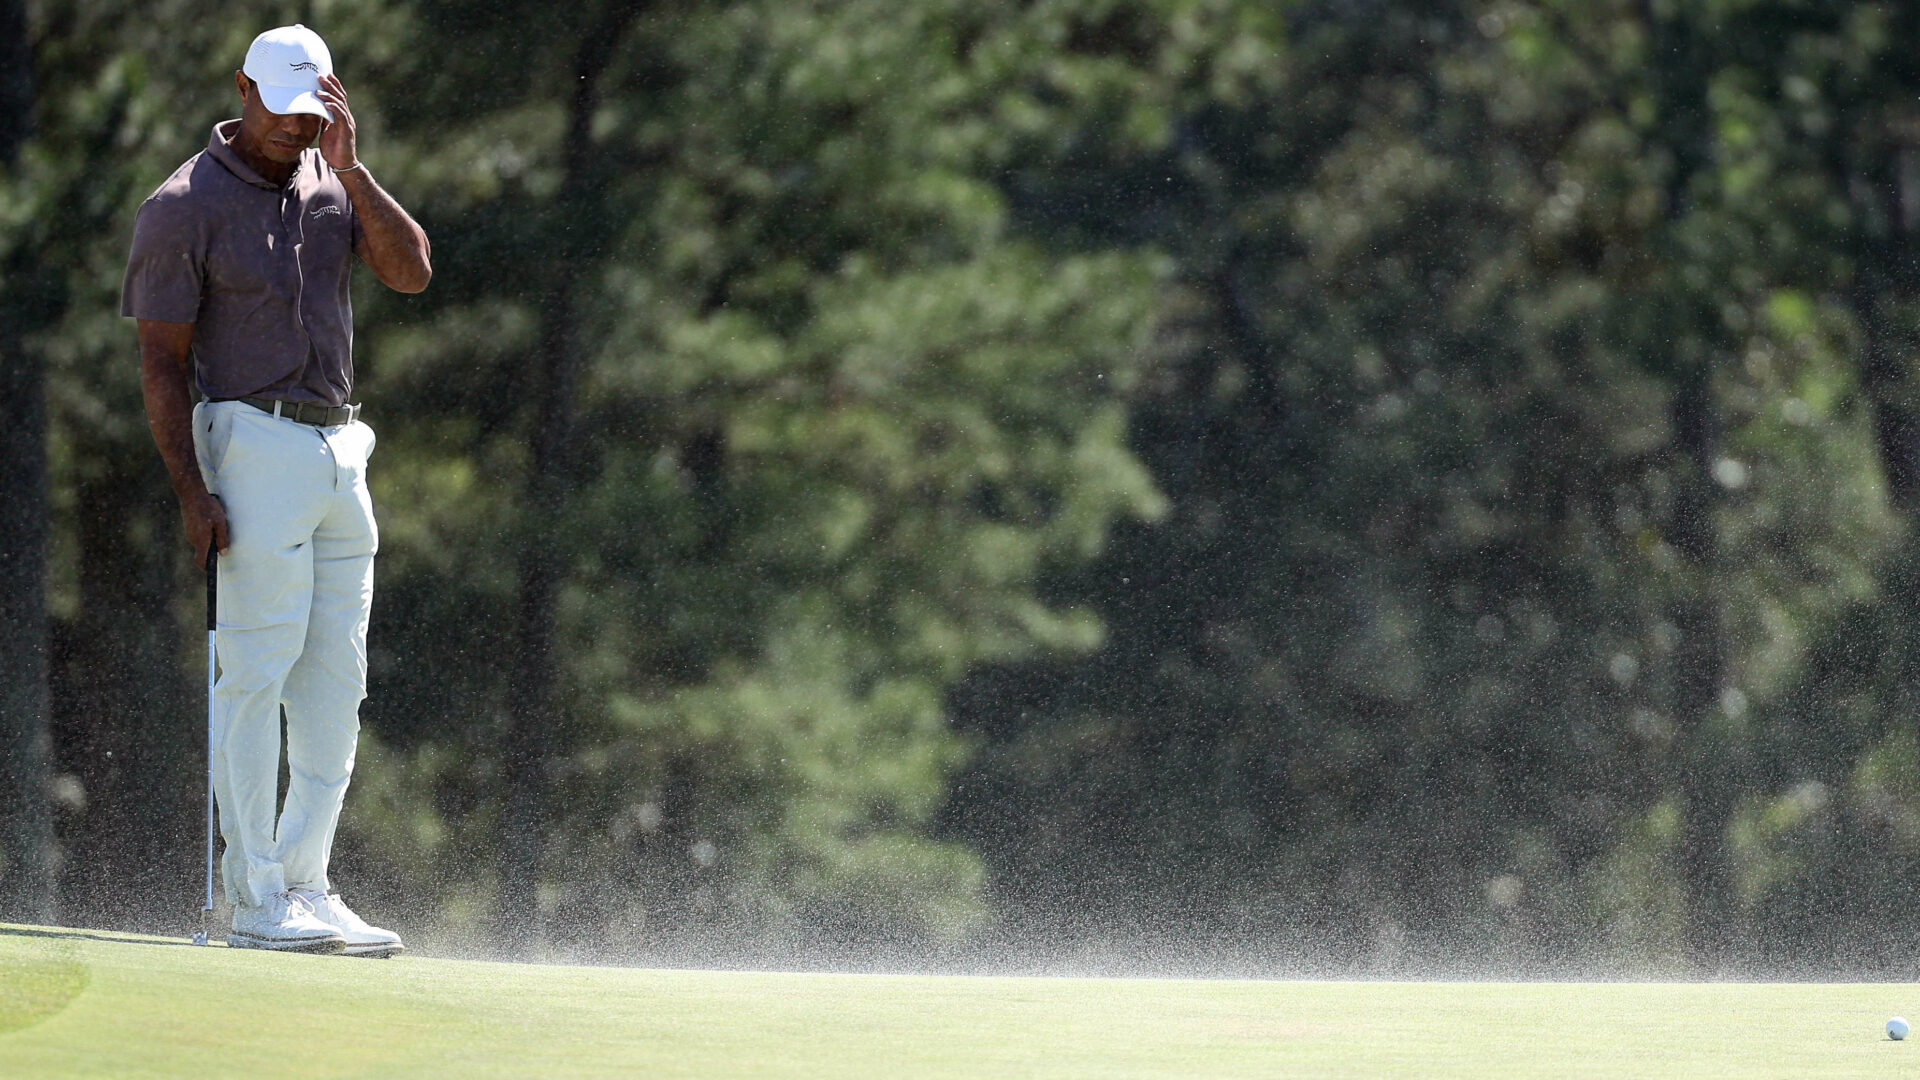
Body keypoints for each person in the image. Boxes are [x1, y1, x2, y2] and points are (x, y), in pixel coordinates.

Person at [122, 24, 431, 955]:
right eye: (285, 113)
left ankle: (305, 882)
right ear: (244, 93)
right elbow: (161, 364)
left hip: (341, 449)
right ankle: (252, 895)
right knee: (254, 676)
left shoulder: (333, 181)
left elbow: (410, 272)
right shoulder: (182, 205)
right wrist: (191, 490)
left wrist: (354, 168)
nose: (297, 130)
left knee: (337, 684)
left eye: (313, 114)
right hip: (248, 443)